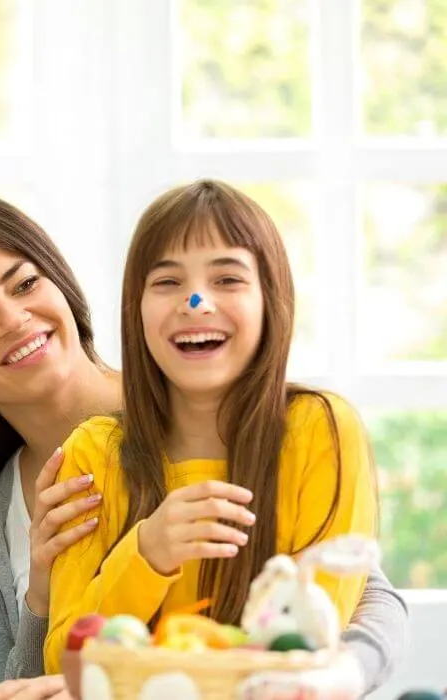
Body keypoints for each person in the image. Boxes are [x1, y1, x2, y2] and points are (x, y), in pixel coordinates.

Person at [0, 191, 407, 697]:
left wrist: (337, 670)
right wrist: (42, 593)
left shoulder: (215, 406)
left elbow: (360, 595)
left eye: (25, 284)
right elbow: (12, 687)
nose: (13, 319)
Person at [40, 179, 378, 676]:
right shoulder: (93, 452)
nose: (196, 303)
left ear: (271, 300)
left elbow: (308, 646)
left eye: (227, 279)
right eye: (168, 282)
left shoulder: (322, 430)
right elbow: (65, 664)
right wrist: (147, 553)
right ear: (135, 310)